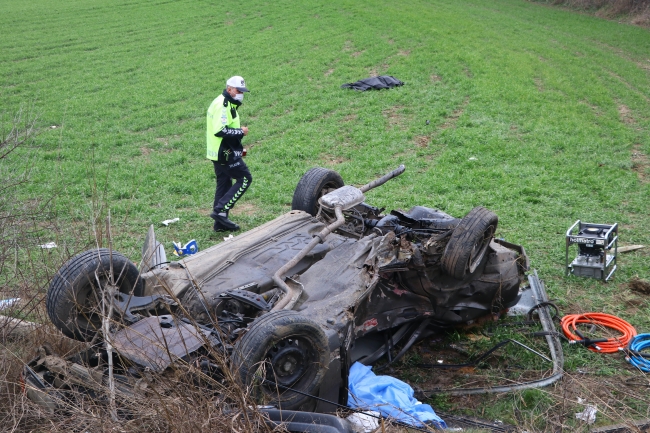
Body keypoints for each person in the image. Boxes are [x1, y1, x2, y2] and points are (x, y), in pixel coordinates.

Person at [206, 76, 251, 232]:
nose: (241, 94)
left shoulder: (225, 102)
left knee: (224, 183)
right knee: (244, 178)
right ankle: (220, 211)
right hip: (224, 152)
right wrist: (241, 131)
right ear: (229, 89)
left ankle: (220, 224)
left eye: (243, 91)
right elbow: (220, 130)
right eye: (238, 91)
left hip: (218, 151)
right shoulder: (223, 105)